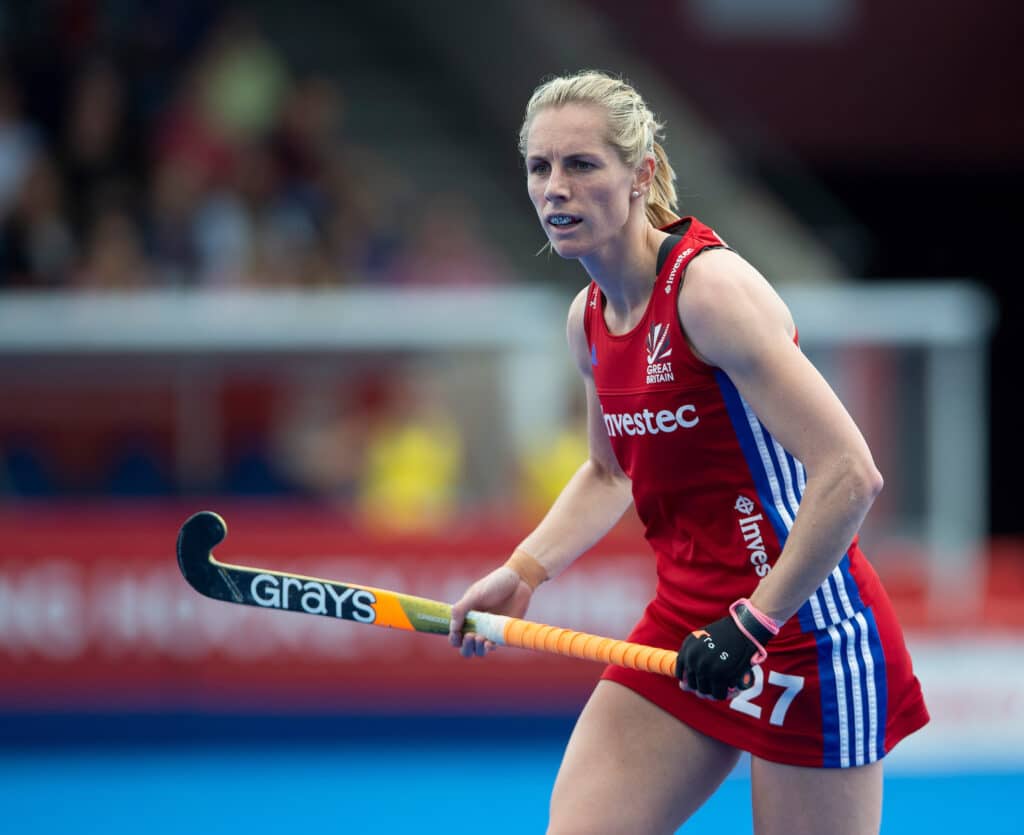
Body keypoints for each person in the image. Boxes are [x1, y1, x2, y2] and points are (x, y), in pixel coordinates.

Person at [448, 70, 929, 835]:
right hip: (686, 622)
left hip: (805, 633)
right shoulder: (589, 318)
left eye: (581, 165)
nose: (555, 189)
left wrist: (754, 624)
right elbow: (608, 470)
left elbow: (850, 473)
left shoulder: (709, 292)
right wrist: (524, 569)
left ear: (639, 176)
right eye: (540, 167)